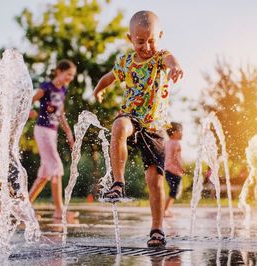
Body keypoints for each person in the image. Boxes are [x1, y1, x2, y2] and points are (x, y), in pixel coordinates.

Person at [93, 10, 184, 247]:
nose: (146, 46)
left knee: (154, 181)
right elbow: (109, 77)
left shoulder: (160, 57)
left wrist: (176, 67)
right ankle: (118, 183)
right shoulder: (125, 62)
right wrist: (98, 90)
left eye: (152, 40)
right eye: (141, 41)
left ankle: (157, 229)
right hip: (132, 117)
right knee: (118, 125)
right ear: (130, 38)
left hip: (154, 126)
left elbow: (170, 60)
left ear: (160, 36)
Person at [28, 59, 79, 219]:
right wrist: (29, 110)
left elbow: (60, 114)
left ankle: (24, 207)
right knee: (56, 167)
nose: (70, 78)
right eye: (69, 74)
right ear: (59, 71)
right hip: (42, 130)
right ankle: (59, 211)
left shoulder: (62, 89)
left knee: (45, 174)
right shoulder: (46, 87)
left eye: (72, 76)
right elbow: (30, 100)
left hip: (52, 132)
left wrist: (69, 133)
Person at [164, 122, 185, 217]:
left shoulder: (167, 143)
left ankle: (166, 209)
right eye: (180, 131)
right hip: (174, 171)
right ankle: (165, 210)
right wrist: (182, 168)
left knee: (172, 191)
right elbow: (177, 158)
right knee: (173, 192)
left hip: (167, 169)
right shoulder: (176, 143)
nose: (182, 133)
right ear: (174, 132)